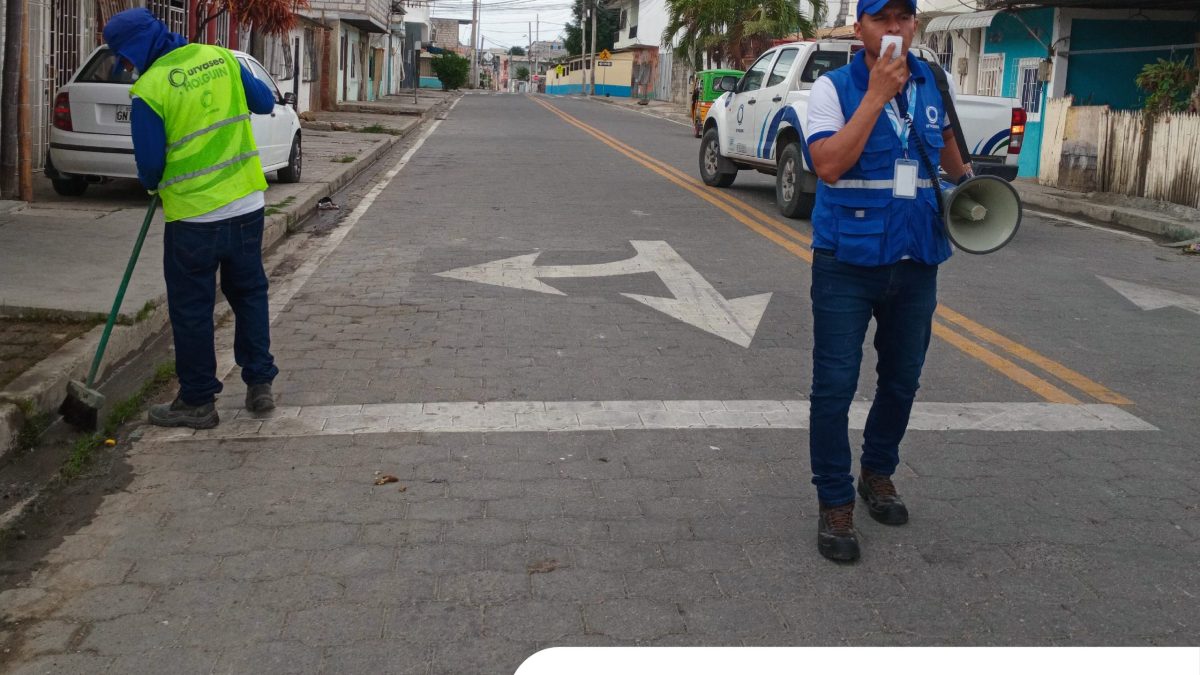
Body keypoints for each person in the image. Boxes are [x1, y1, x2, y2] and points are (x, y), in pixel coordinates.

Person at [804, 0, 971, 562]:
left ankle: (876, 472)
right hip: (846, 261)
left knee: (902, 381)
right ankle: (834, 500)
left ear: (915, 25)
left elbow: (951, 160)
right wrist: (876, 95)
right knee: (834, 387)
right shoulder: (832, 88)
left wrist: (973, 187)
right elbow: (828, 165)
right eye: (881, 18)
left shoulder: (933, 83)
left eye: (903, 17)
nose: (894, 28)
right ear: (860, 29)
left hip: (917, 257)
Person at [103, 8, 280, 429]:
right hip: (246, 205)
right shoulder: (221, 57)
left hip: (193, 219)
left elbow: (150, 165)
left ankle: (198, 401)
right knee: (249, 295)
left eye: (123, 55)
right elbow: (264, 101)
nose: (125, 65)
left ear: (135, 47)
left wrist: (154, 184)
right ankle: (259, 384)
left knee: (192, 309)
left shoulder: (150, 89)